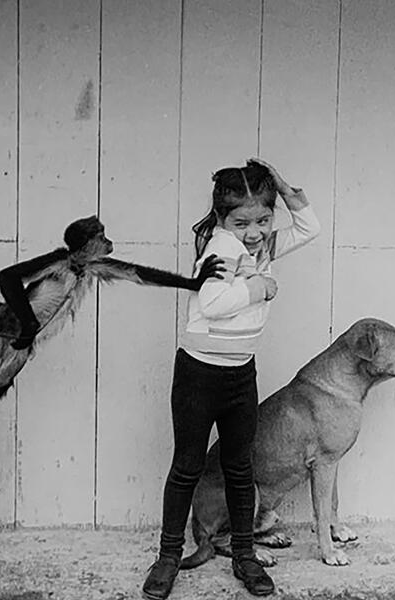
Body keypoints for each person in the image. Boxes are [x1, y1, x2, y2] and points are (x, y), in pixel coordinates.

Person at [142, 158, 320, 599]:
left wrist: (283, 187)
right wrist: (260, 288)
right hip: (199, 375)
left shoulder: (259, 247)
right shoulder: (221, 247)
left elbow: (310, 227)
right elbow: (215, 301)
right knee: (187, 465)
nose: (255, 230)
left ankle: (244, 555)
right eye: (243, 221)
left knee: (240, 468)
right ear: (223, 219)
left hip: (240, 375)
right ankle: (168, 557)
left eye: (264, 219)